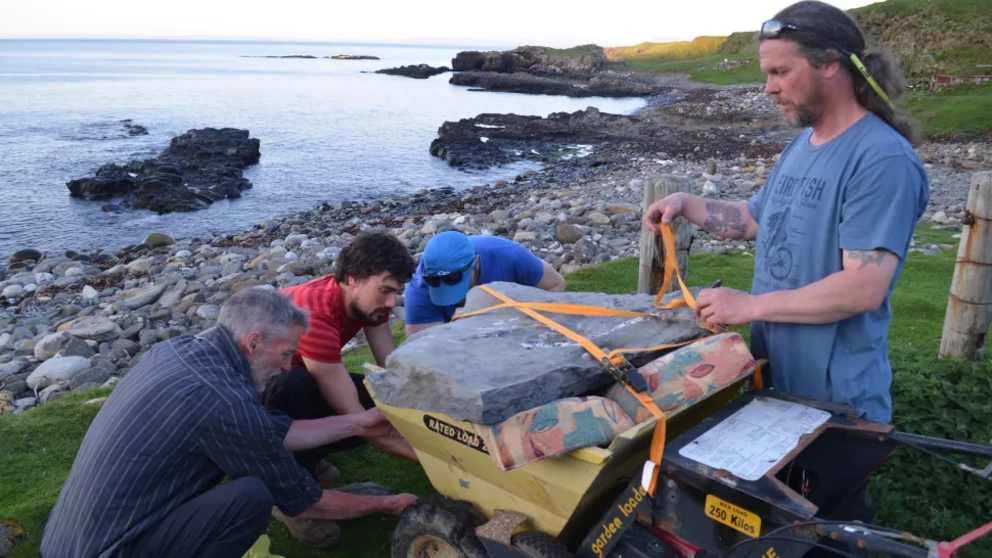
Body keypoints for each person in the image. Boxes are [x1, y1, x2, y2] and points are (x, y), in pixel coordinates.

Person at [643, 0, 928, 548]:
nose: (768, 88)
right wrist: (686, 202)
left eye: (779, 72)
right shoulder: (803, 144)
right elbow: (753, 218)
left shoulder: (881, 160)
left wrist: (748, 306)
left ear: (830, 65)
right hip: (780, 389)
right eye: (765, 74)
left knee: (828, 535)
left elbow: (864, 287)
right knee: (777, 536)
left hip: (836, 407)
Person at [40, 288, 418, 558]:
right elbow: (304, 502)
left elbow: (268, 429)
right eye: (286, 354)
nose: (288, 366)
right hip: (112, 549)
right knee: (252, 497)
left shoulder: (180, 350)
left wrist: (359, 423)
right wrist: (389, 504)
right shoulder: (222, 401)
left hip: (65, 539)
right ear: (253, 342)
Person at [266, 231, 418, 473]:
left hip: (300, 373)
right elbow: (350, 410)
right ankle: (296, 482)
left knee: (382, 398)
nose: (391, 302)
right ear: (354, 278)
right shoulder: (314, 312)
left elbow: (392, 368)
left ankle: (311, 449)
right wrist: (425, 460)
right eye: (386, 291)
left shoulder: (368, 304)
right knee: (296, 385)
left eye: (396, 293)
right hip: (255, 395)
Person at [404, 231, 566, 337]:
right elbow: (425, 350)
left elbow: (556, 284)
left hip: (514, 320)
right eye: (436, 282)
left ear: (476, 264)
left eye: (455, 281)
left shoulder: (509, 255)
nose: (454, 301)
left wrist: (538, 328)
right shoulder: (419, 286)